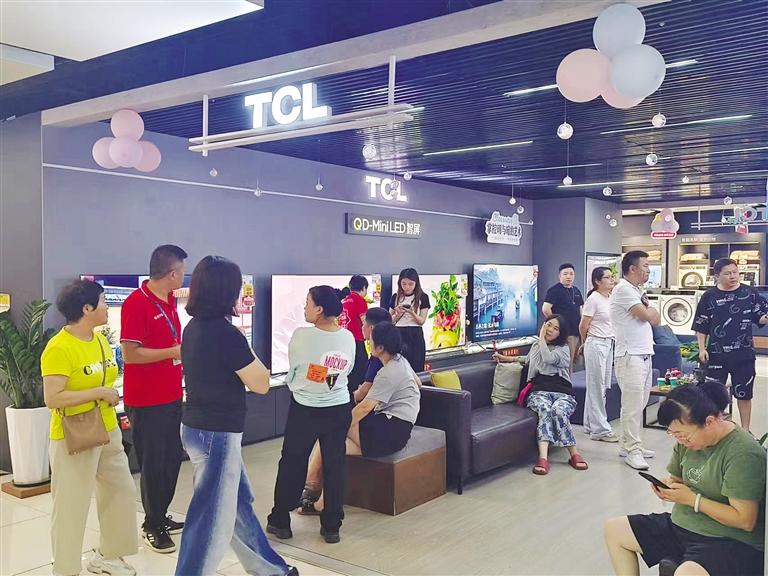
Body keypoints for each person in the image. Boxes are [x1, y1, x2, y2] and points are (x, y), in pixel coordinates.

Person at [175, 256, 296, 576]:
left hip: (198, 427)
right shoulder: (227, 334)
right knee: (210, 519)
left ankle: (272, 570)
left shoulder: (193, 327)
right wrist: (246, 345)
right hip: (217, 433)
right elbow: (260, 383)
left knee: (238, 506)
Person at [604, 380, 765, 576]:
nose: (680, 441)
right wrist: (669, 488)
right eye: (674, 434)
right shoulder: (686, 442)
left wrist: (693, 500)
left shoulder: (743, 453)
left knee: (686, 573)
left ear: (709, 422)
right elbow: (679, 480)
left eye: (683, 435)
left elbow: (744, 520)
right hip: (684, 525)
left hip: (728, 539)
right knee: (615, 530)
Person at [42, 279, 138, 576]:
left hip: (108, 429)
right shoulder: (59, 348)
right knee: (71, 505)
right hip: (74, 435)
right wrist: (97, 393)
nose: (107, 307)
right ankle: (66, 569)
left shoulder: (99, 340)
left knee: (121, 492)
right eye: (103, 302)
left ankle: (109, 556)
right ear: (86, 308)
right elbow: (53, 398)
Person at [299, 321, 420, 514]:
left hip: (390, 430)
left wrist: (340, 423)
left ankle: (312, 488)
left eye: (370, 340)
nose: (367, 342)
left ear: (380, 348)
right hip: (395, 428)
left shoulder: (388, 372)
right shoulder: (400, 361)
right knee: (332, 443)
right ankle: (316, 495)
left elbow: (364, 407)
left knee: (331, 427)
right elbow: (418, 383)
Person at [267, 286, 356, 544]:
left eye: (307, 303)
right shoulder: (348, 337)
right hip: (339, 408)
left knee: (292, 462)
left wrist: (311, 378)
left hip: (305, 409)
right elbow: (345, 371)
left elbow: (295, 370)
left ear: (319, 309)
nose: (304, 307)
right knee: (335, 465)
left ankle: (281, 520)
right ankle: (332, 526)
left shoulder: (301, 336)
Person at [120, 244, 187, 553]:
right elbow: (131, 354)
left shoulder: (169, 299)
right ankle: (152, 524)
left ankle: (160, 513)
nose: (183, 277)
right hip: (146, 400)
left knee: (172, 458)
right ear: (172, 274)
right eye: (182, 272)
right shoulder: (136, 303)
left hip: (171, 395)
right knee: (153, 462)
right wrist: (173, 352)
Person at [496, 315, 587, 475]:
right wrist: (506, 358)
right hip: (539, 390)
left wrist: (541, 340)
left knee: (558, 411)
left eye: (555, 328)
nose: (550, 330)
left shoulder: (563, 349)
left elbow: (548, 358)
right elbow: (529, 360)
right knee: (545, 410)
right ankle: (543, 458)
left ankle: (574, 454)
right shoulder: (536, 346)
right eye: (548, 325)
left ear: (561, 333)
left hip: (562, 392)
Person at [692, 258, 768, 431]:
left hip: (744, 354)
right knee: (713, 395)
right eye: (727, 273)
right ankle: (715, 430)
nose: (733, 276)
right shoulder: (709, 296)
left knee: (744, 394)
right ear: (717, 276)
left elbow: (760, 317)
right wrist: (702, 348)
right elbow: (701, 325)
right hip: (716, 354)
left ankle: (745, 430)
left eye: (735, 272)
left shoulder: (749, 292)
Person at [609, 251, 661, 471]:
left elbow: (657, 320)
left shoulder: (637, 291)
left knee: (639, 403)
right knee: (632, 406)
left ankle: (626, 444)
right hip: (630, 355)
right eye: (645, 266)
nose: (649, 270)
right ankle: (633, 450)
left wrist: (650, 311)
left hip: (644, 353)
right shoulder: (622, 289)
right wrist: (650, 310)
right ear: (632, 268)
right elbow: (649, 316)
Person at [579, 266, 619, 442]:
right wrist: (585, 342)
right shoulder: (593, 299)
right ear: (597, 281)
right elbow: (583, 325)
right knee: (596, 386)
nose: (612, 280)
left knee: (601, 386)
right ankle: (600, 430)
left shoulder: (610, 298)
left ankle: (590, 424)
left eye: (612, 277)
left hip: (608, 343)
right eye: (608, 277)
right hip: (596, 343)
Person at [542, 263, 584, 373]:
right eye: (565, 274)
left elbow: (580, 310)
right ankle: (566, 383)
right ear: (560, 276)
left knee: (574, 361)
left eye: (571, 274)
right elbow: (546, 309)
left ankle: (569, 381)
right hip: (565, 333)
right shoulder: (554, 290)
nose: (568, 276)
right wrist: (557, 326)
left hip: (576, 332)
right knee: (566, 363)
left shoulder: (576, 290)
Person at [389, 268, 430, 372]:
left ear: (416, 283)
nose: (407, 287)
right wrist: (398, 314)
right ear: (399, 283)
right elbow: (389, 321)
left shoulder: (423, 297)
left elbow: (421, 321)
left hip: (415, 334)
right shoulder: (395, 297)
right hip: (398, 333)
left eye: (410, 284)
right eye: (404, 284)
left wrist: (412, 312)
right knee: (399, 368)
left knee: (416, 367)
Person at [338, 275, 370, 396]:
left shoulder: (344, 300)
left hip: (343, 343)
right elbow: (365, 322)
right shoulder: (359, 300)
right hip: (357, 342)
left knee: (348, 375)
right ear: (364, 288)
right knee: (360, 374)